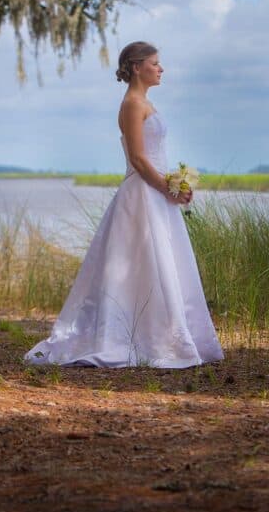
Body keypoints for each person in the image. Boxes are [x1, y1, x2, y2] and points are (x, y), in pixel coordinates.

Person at [25, 41, 224, 368]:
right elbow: (137, 158)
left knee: (160, 264)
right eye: (155, 63)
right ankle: (131, 338)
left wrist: (177, 185)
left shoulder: (144, 102)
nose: (161, 69)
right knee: (139, 263)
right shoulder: (132, 103)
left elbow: (154, 155)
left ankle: (163, 333)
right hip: (142, 193)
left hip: (156, 192)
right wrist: (166, 188)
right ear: (136, 66)